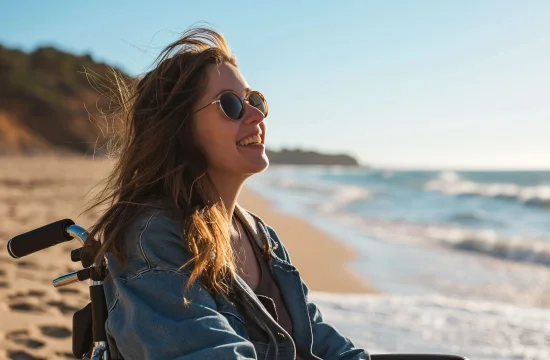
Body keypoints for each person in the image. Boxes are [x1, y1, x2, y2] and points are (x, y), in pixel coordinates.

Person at [83, 26, 370, 360]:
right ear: (180, 129)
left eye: (255, 100)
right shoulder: (154, 239)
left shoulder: (261, 235)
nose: (256, 115)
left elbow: (317, 336)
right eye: (231, 104)